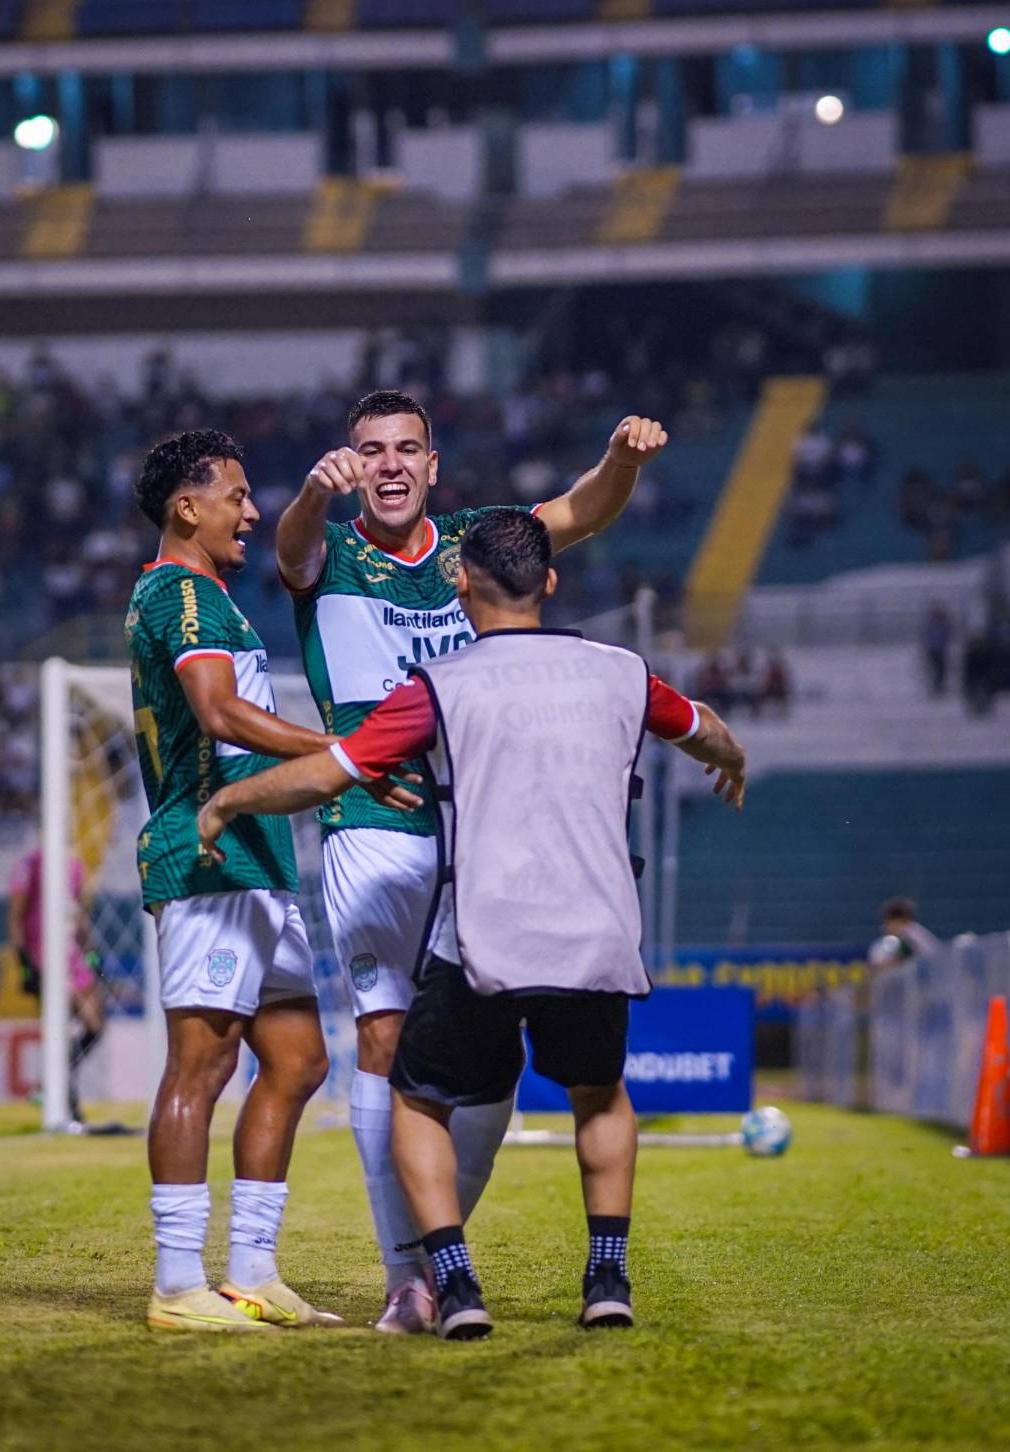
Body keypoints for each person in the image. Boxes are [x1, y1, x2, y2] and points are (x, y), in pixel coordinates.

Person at [198, 508, 746, 1339]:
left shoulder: (441, 685)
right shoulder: (623, 672)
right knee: (599, 1094)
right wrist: (730, 758)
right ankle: (607, 1280)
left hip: (484, 936)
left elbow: (329, 774)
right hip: (597, 931)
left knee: (416, 1098)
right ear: (549, 581)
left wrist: (233, 798)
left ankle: (451, 1283)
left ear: (461, 584)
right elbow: (701, 726)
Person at [275, 388, 669, 1332]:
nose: (390, 464)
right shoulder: (331, 550)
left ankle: (436, 1252)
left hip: (483, 831)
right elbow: (292, 551)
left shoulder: (473, 544)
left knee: (482, 1064)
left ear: (433, 463)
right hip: (371, 823)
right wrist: (311, 493)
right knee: (384, 1040)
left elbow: (580, 512)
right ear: (354, 465)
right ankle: (406, 1278)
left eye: (406, 448)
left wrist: (621, 459)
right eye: (372, 450)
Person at [126, 428, 418, 1335]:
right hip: (207, 857)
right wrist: (344, 753)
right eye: (237, 496)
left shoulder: (209, 596)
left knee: (298, 1061)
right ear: (187, 508)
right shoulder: (178, 592)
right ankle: (178, 1282)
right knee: (202, 1064)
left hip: (256, 859)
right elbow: (219, 713)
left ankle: (253, 1272)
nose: (251, 513)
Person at [7, 845, 104, 1127]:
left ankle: (50, 1085)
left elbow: (78, 912)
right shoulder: (29, 865)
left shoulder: (74, 865)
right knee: (62, 1031)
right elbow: (15, 916)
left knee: (95, 1025)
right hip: (44, 958)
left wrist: (90, 951)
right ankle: (68, 1108)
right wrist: (24, 962)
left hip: (73, 956)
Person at [867, 897, 944, 969]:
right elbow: (876, 967)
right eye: (891, 923)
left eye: (900, 923)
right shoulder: (881, 945)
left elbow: (936, 957)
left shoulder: (917, 934)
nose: (895, 927)